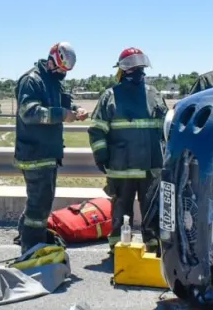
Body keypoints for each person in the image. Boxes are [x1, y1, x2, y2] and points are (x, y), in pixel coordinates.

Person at [88, 47, 169, 257]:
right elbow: (97, 130)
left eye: (141, 68)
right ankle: (118, 250)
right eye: (134, 68)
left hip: (150, 168)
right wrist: (101, 155)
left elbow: (166, 129)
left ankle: (153, 247)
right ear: (124, 71)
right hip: (121, 169)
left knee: (152, 212)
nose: (139, 72)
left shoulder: (154, 95)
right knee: (120, 213)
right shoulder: (110, 96)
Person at [13, 42, 88, 254]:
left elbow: (65, 101)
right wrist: (62, 115)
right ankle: (32, 249)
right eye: (61, 69)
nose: (62, 73)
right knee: (39, 206)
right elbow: (29, 113)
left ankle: (25, 237)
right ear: (51, 59)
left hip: (48, 153)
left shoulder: (54, 81)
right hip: (34, 154)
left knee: (40, 202)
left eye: (66, 71)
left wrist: (75, 108)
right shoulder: (32, 81)